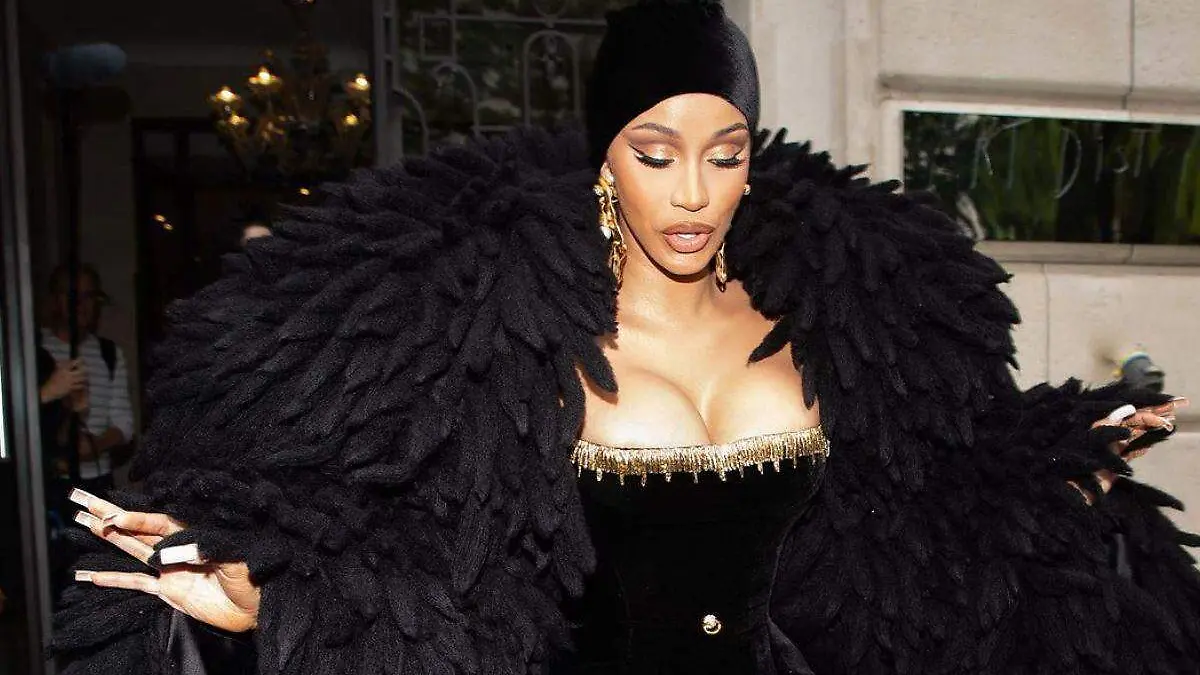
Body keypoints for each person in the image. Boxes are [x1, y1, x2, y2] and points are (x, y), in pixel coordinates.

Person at [56, 2, 1200, 673]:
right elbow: (435, 572)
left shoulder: (822, 328)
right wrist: (278, 593)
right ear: (605, 157)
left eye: (726, 153)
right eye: (656, 154)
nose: (694, 191)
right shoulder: (513, 350)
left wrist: (1056, 467)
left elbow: (902, 527)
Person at [39, 264, 135, 495]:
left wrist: (94, 447)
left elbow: (125, 425)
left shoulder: (109, 353)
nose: (80, 304)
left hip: (97, 481)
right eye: (72, 295)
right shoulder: (33, 348)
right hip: (48, 482)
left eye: (89, 296)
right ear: (55, 300)